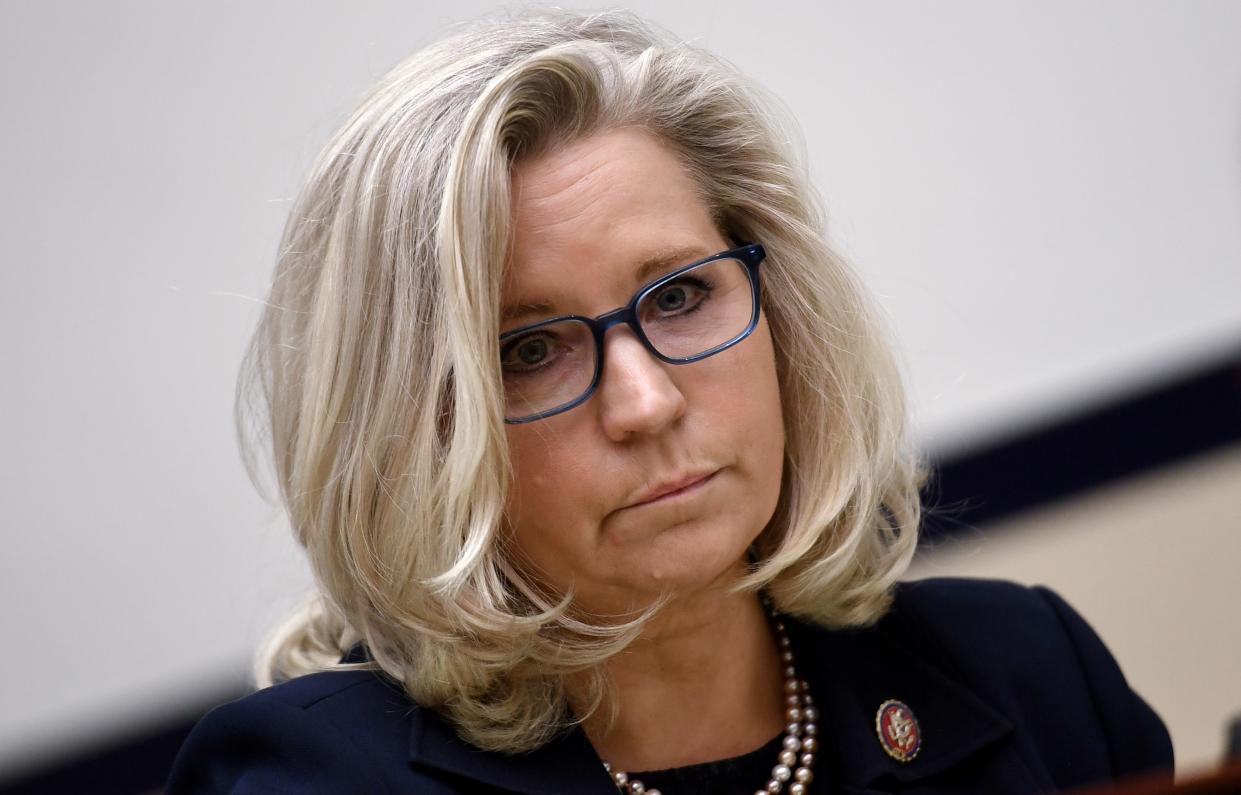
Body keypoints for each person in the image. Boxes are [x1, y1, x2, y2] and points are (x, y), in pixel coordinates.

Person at [167, 8, 1173, 794]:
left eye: (680, 295)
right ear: (414, 431)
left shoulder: (1028, 677)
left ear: (777, 304)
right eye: (529, 350)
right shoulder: (309, 782)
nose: (642, 405)